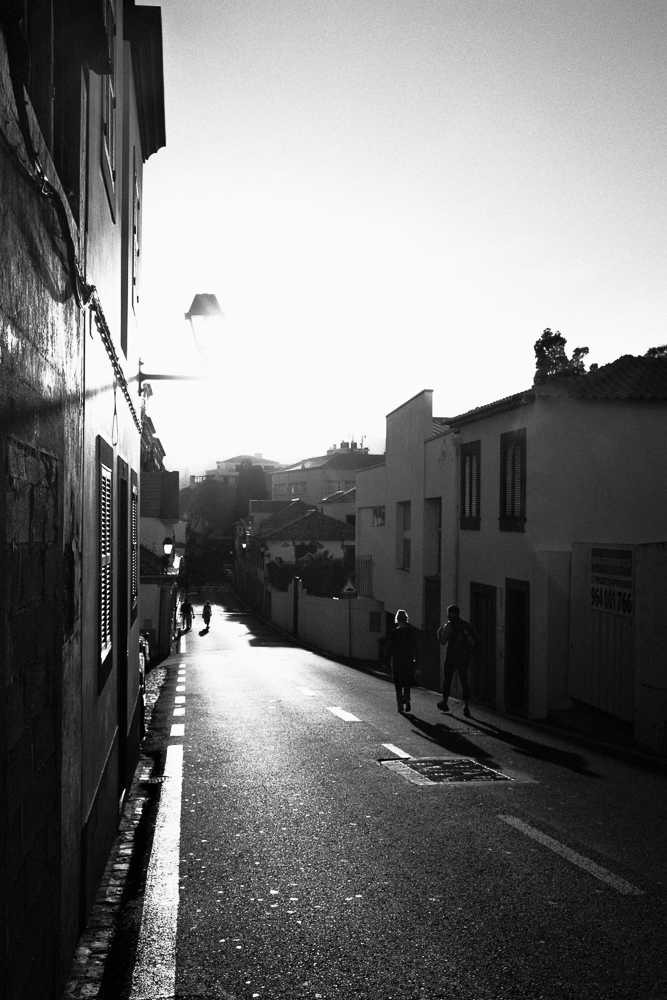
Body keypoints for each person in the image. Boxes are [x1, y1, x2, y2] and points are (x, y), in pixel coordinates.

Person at [437, 605, 476, 717]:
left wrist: (439, 634)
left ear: (452, 613)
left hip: (451, 656)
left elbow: (443, 641)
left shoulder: (449, 625)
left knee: (447, 679)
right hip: (464, 657)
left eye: (448, 613)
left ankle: (444, 702)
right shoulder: (465, 625)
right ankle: (466, 706)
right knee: (465, 681)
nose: (447, 615)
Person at [384, 609, 419, 713]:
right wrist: (417, 661)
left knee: (398, 683)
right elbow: (415, 647)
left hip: (397, 660)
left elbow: (390, 648)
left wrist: (385, 661)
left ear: (397, 619)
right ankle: (407, 698)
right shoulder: (411, 631)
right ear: (406, 618)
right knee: (407, 680)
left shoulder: (394, 632)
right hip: (408, 659)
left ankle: (400, 707)